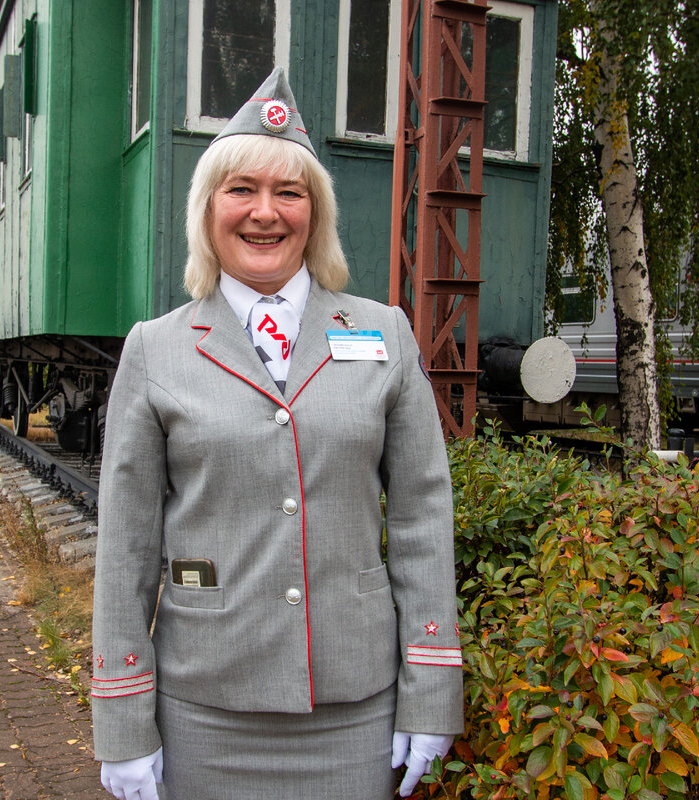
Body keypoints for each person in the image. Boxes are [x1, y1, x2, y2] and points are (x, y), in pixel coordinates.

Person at [91, 67, 463, 800]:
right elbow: (126, 545)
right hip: (204, 708)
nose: (266, 213)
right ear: (208, 212)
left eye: (289, 193)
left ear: (314, 214)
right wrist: (124, 720)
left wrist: (432, 688)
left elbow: (423, 516)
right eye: (242, 191)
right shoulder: (155, 348)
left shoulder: (383, 333)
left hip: (355, 710)